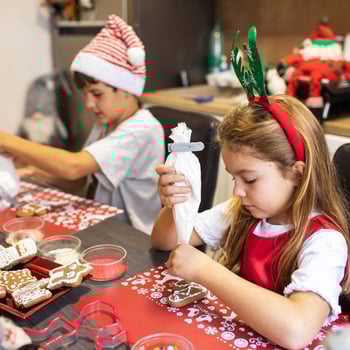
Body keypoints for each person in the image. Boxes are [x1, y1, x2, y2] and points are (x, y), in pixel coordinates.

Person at [151, 27, 350, 349]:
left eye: (250, 179)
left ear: (297, 173)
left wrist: (207, 272)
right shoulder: (243, 212)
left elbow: (297, 331)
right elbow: (164, 241)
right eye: (233, 177)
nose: (238, 191)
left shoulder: (324, 241)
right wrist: (174, 206)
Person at [0, 15, 164, 234]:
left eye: (96, 94)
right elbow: (79, 180)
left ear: (126, 89)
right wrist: (30, 171)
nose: (88, 104)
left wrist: (7, 140)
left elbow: (73, 166)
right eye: (86, 95)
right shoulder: (106, 123)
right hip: (105, 223)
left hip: (134, 235)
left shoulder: (141, 130)